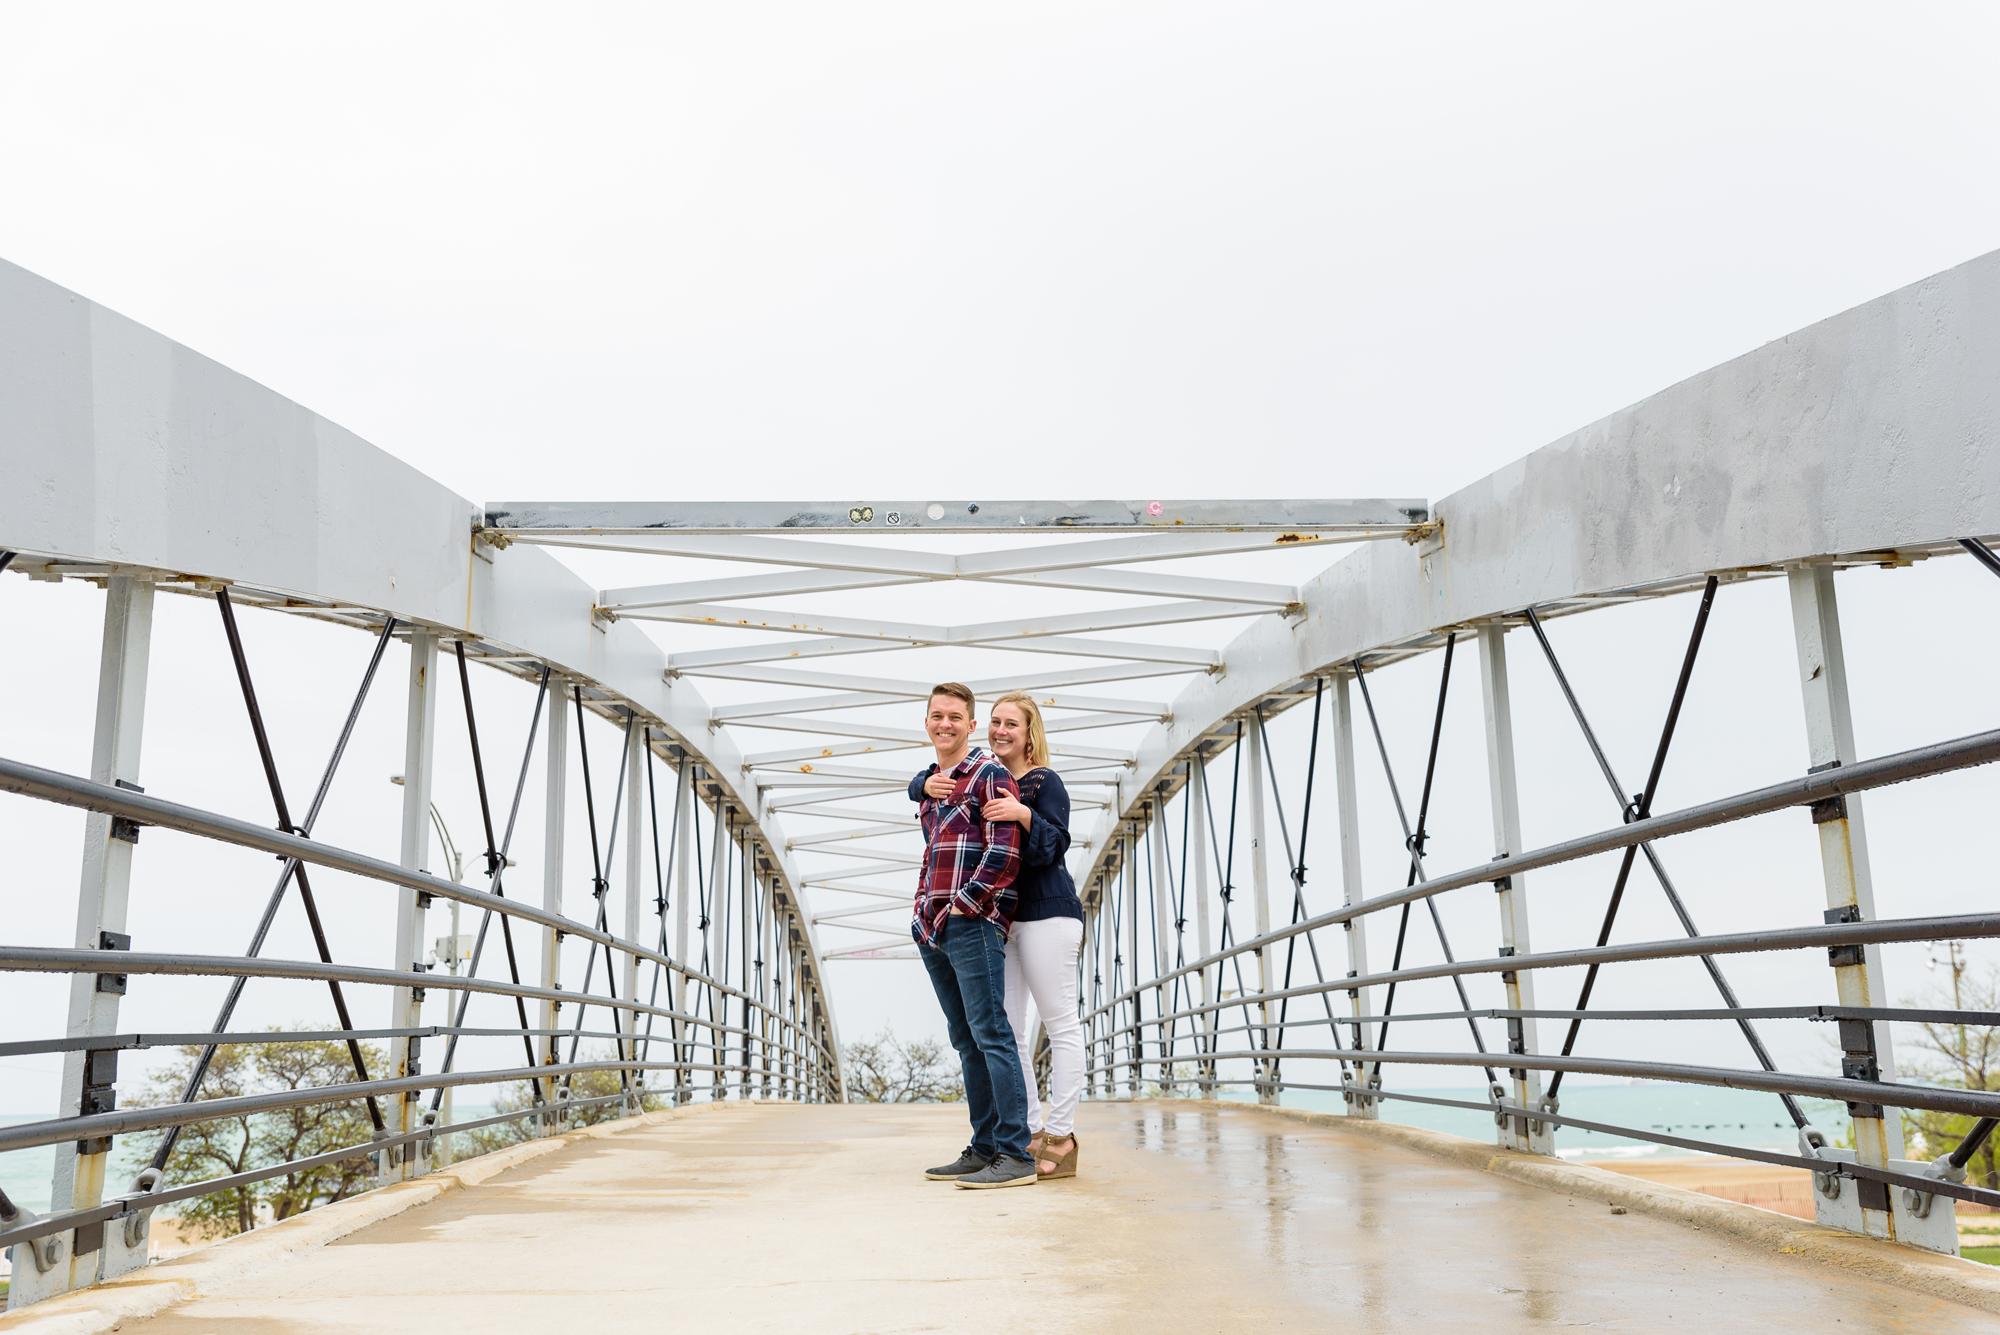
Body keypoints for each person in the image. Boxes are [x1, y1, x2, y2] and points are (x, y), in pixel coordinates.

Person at [912, 690, 1084, 1181]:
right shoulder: (975, 778)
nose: (1000, 730)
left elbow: (1053, 846)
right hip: (1005, 917)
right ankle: (1023, 1133)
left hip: (1046, 913)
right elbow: (922, 792)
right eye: (995, 722)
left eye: (1012, 724)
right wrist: (923, 783)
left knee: (1059, 1023)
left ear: (1030, 735)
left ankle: (1061, 1133)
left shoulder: (1041, 782)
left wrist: (1024, 815)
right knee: (1005, 1027)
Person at [911, 682, 1036, 1189]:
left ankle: (1015, 1153)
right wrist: (925, 915)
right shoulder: (933, 786)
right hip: (933, 925)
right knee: (965, 1040)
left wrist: (965, 907)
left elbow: (1005, 853)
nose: (945, 724)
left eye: (955, 717)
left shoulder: (989, 774)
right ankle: (984, 1147)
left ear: (970, 723)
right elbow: (933, 854)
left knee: (991, 1034)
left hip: (971, 923)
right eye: (937, 715)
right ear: (927, 722)